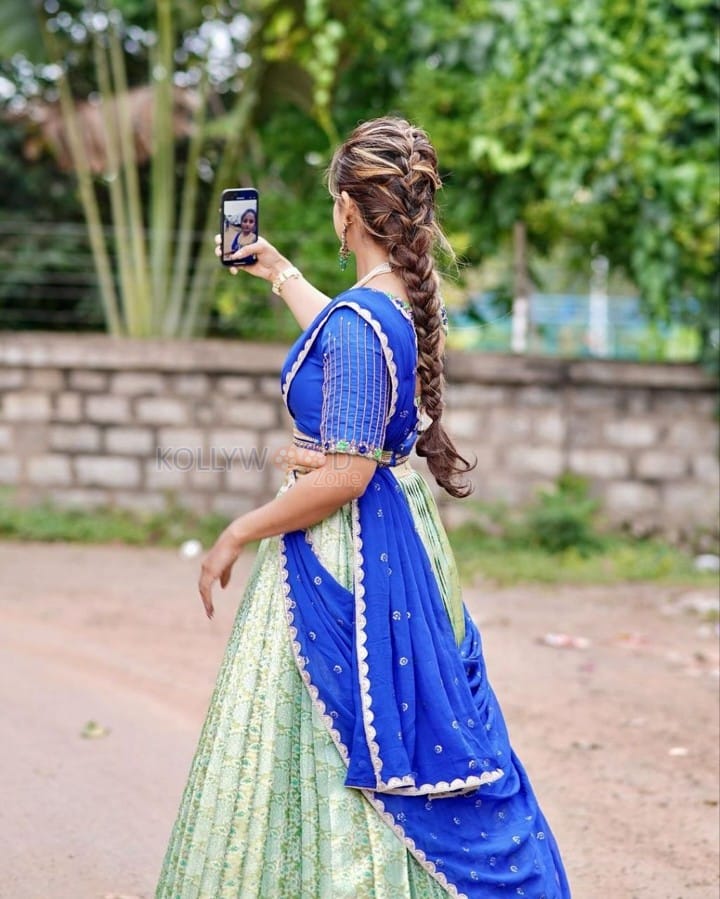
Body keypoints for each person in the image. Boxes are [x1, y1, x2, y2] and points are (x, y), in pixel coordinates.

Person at [156, 116, 571, 898]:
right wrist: (278, 269)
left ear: (348, 209)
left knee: (328, 736)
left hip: (345, 551)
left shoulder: (361, 321)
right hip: (401, 542)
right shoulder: (395, 302)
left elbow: (345, 474)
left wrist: (236, 530)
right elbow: (351, 350)